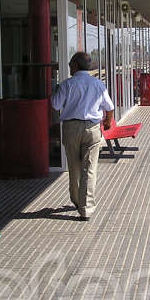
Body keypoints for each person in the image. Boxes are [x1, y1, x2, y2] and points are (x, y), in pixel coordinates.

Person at [51, 51, 114, 220]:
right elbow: (109, 106)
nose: (69, 68)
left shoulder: (66, 84)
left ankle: (78, 201)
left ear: (76, 65)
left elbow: (55, 105)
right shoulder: (98, 84)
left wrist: (56, 90)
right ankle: (86, 208)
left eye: (71, 65)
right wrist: (108, 122)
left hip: (71, 128)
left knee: (74, 167)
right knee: (90, 168)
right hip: (92, 129)